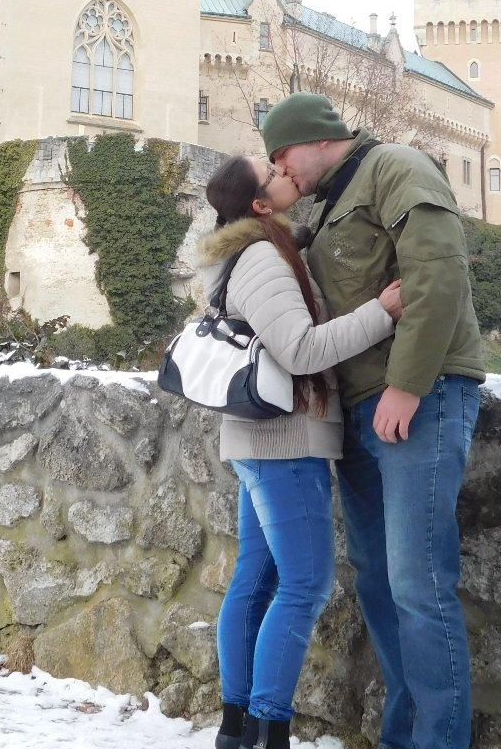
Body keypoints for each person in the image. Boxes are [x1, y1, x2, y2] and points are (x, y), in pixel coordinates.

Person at [260, 92, 485, 749]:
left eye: (282, 153)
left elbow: (437, 276)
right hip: (360, 410)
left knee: (418, 582)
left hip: (419, 397)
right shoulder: (328, 202)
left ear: (316, 137)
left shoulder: (395, 166)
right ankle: (403, 736)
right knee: (380, 584)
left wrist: (408, 386)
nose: (279, 168)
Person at [201, 154, 405, 749]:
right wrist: (382, 313)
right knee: (304, 584)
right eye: (271, 173)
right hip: (283, 443)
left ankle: (237, 729)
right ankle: (269, 728)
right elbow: (301, 351)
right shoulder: (261, 257)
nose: (283, 169)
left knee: (258, 576)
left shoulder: (252, 251)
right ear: (260, 204)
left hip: (260, 442)